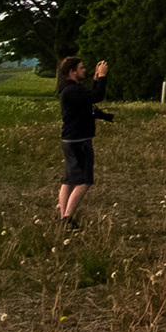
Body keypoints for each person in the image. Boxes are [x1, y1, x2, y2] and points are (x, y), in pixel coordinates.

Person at [55, 55, 113, 226]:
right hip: (79, 141)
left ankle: (63, 218)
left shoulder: (70, 89)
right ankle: (67, 218)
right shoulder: (72, 91)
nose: (84, 70)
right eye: (81, 68)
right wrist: (102, 77)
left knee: (70, 180)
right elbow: (97, 96)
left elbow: (89, 97)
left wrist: (96, 80)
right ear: (72, 72)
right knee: (84, 181)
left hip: (71, 140)